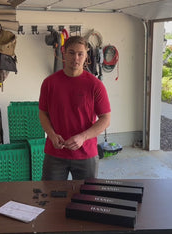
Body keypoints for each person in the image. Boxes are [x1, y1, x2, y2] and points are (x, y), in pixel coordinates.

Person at [38, 36, 111, 181]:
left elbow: (106, 119)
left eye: (80, 54)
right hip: (55, 153)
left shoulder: (95, 85)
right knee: (52, 198)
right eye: (71, 53)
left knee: (87, 198)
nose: (75, 58)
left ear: (86, 55)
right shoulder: (49, 83)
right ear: (63, 52)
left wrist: (83, 137)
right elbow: (43, 113)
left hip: (86, 153)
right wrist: (51, 135)